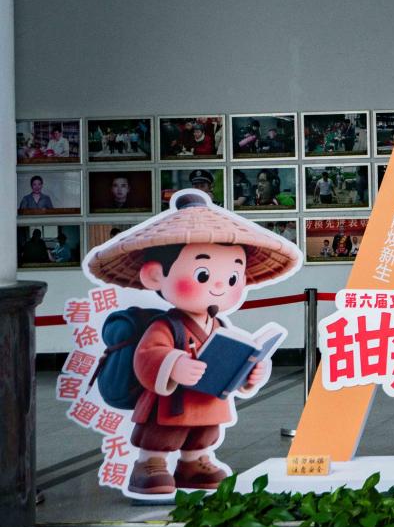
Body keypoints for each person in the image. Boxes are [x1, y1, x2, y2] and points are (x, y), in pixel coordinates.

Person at [82, 189, 301, 495]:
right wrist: (172, 364)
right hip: (171, 401)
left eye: (233, 278)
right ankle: (151, 462)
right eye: (202, 274)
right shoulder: (165, 325)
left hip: (208, 400)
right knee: (162, 433)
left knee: (204, 432)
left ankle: (194, 462)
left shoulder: (218, 325)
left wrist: (250, 372)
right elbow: (147, 355)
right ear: (156, 276)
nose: (220, 285)